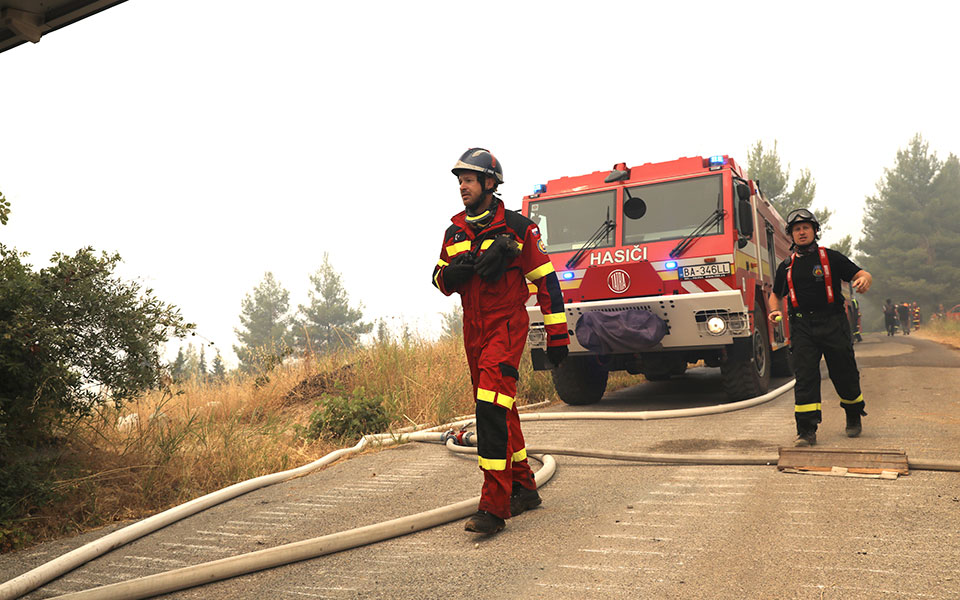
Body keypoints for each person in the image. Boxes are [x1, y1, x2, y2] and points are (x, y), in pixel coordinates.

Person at [431, 148, 569, 534]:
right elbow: (439, 278)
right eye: (460, 181)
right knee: (501, 408)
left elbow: (547, 282)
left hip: (505, 327)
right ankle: (524, 487)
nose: (462, 187)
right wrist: (452, 274)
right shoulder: (454, 233)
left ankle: (493, 506)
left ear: (489, 182)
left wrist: (557, 336)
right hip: (472, 333)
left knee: (490, 408)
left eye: (469, 180)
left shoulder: (518, 229)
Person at [767, 209, 872, 446]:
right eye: (796, 229)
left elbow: (862, 273)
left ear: (815, 231)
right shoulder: (786, 266)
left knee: (844, 373)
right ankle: (806, 431)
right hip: (802, 327)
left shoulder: (831, 258)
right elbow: (776, 295)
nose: (802, 232)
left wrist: (864, 280)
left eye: (806, 228)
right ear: (791, 235)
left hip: (833, 323)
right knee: (805, 377)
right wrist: (774, 310)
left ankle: (853, 414)